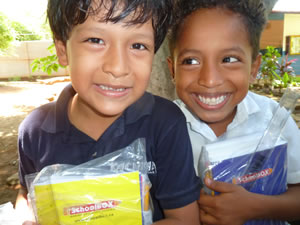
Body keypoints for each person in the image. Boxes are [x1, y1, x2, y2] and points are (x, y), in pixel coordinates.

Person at [15, 0, 201, 224]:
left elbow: (185, 219)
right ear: (63, 51)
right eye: (95, 40)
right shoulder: (35, 130)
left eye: (138, 46)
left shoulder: (165, 123)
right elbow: (26, 193)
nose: (118, 67)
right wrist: (24, 217)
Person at [167, 0, 300, 224]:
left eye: (229, 59)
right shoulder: (162, 127)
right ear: (172, 70)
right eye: (191, 61)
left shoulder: (275, 119)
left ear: (254, 68)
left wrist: (257, 207)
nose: (209, 80)